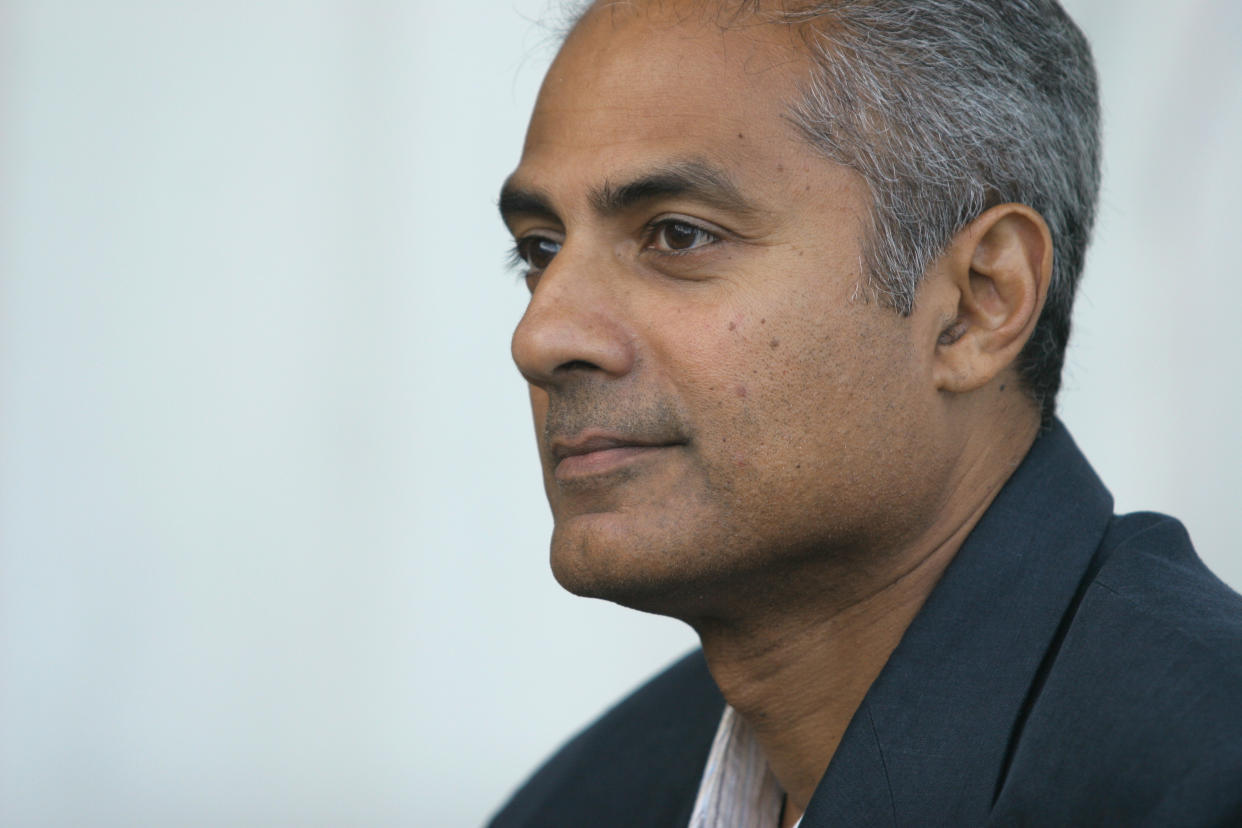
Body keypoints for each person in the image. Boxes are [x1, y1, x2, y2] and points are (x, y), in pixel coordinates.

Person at [491, 0, 1242, 825]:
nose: (542, 335)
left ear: (976, 305)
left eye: (678, 235)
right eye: (541, 249)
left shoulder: (1204, 773)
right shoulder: (582, 803)